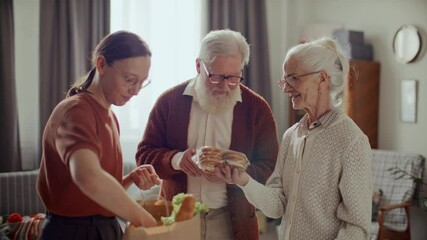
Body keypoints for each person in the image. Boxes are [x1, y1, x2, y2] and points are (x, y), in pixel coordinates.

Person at [222, 37, 372, 240]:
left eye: (294, 78)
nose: (285, 88)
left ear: (322, 79)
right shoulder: (291, 135)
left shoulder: (351, 141)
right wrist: (244, 180)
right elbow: (277, 206)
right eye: (284, 80)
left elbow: (357, 228)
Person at [136, 29, 279, 240]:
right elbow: (144, 157)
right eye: (215, 76)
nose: (224, 86)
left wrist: (238, 176)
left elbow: (270, 167)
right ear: (198, 66)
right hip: (177, 218)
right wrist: (176, 160)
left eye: (233, 78)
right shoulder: (169, 102)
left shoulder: (256, 108)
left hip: (231, 222)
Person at [37, 31, 161, 240]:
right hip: (73, 232)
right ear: (101, 64)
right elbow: (88, 177)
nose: (136, 90)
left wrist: (129, 179)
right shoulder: (76, 111)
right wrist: (144, 219)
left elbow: (94, 195)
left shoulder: (110, 117)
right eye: (131, 80)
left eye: (142, 82)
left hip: (103, 228)